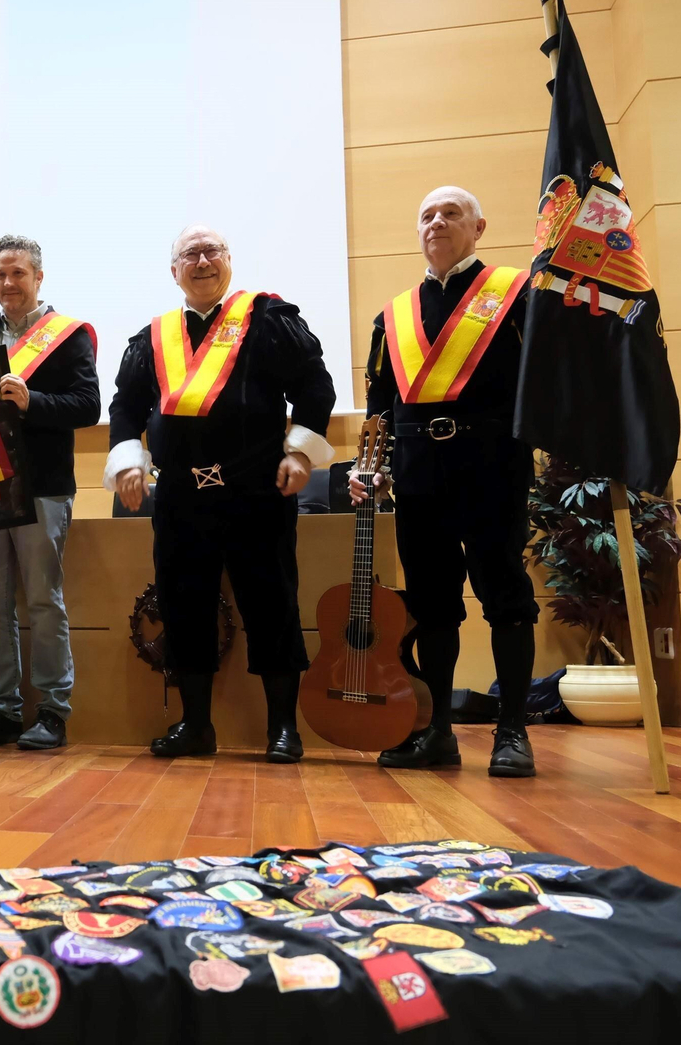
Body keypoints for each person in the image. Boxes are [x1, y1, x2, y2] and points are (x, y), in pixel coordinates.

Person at [106, 225, 335, 761]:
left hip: (257, 491)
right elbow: (124, 407)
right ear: (174, 271)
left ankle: (283, 729)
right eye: (190, 253)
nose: (202, 260)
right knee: (183, 608)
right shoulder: (152, 337)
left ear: (229, 261)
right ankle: (196, 727)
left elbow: (315, 386)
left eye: (212, 251)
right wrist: (127, 463)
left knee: (271, 604)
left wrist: (299, 453)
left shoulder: (269, 321)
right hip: (182, 498)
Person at [350, 186, 539, 778]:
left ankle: (512, 730)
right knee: (432, 606)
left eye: (451, 213)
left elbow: (545, 377)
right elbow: (380, 402)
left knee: (504, 595)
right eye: (427, 215)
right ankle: (437, 733)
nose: (438, 222)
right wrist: (369, 468)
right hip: (416, 473)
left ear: (479, 226)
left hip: (491, 464)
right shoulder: (394, 315)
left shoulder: (516, 296)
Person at [0, 236, 99, 751]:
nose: (8, 284)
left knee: (41, 600)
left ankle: (53, 711)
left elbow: (86, 406)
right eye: (0, 275)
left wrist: (33, 400)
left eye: (17, 274)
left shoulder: (69, 336)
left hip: (44, 488)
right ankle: (3, 711)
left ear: (38, 277)